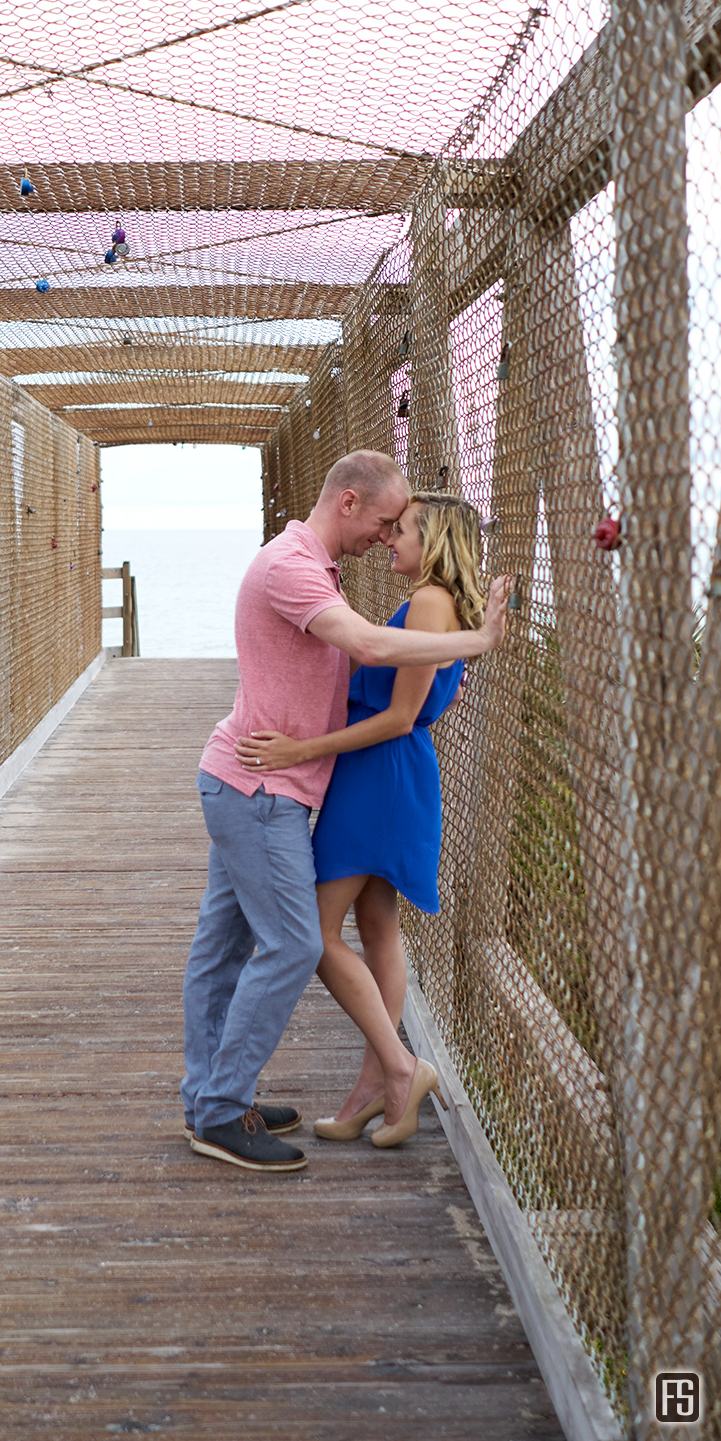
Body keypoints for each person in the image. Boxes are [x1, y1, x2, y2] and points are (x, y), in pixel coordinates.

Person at [182, 454, 509, 1173]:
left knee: (237, 947)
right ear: (351, 502)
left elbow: (391, 696)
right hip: (259, 787)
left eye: (403, 529)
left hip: (278, 784)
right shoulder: (293, 565)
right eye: (386, 523)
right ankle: (221, 1105)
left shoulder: (320, 569)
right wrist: (480, 642)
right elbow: (365, 647)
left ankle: (217, 1097)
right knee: (293, 943)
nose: (386, 537)